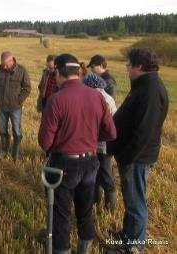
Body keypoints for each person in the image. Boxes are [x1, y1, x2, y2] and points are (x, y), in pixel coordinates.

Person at [38, 54, 116, 254]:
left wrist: (62, 143)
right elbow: (111, 132)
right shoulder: (97, 96)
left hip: (64, 164)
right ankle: (85, 249)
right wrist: (88, 137)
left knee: (62, 213)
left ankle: (62, 250)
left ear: (58, 72)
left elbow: (45, 142)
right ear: (78, 72)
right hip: (91, 162)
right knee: (85, 210)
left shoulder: (56, 100)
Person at [107, 48, 169, 253]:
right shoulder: (145, 85)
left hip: (136, 158)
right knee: (131, 198)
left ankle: (133, 247)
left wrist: (127, 157)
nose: (127, 69)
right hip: (134, 155)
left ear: (139, 67)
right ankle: (128, 234)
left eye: (129, 65)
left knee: (136, 202)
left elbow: (144, 132)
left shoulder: (150, 91)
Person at [83, 73, 117, 212]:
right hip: (99, 144)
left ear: (92, 86)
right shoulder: (105, 98)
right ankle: (95, 202)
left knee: (106, 176)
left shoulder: (102, 100)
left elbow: (108, 126)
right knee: (95, 176)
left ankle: (110, 209)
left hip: (102, 145)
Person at [0, 51, 31, 161]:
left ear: (12, 60)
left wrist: (19, 100)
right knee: (3, 130)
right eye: (2, 64)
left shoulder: (21, 70)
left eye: (6, 64)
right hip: (1, 106)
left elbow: (27, 88)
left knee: (16, 131)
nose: (4, 66)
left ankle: (16, 153)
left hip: (15, 108)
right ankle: (4, 150)